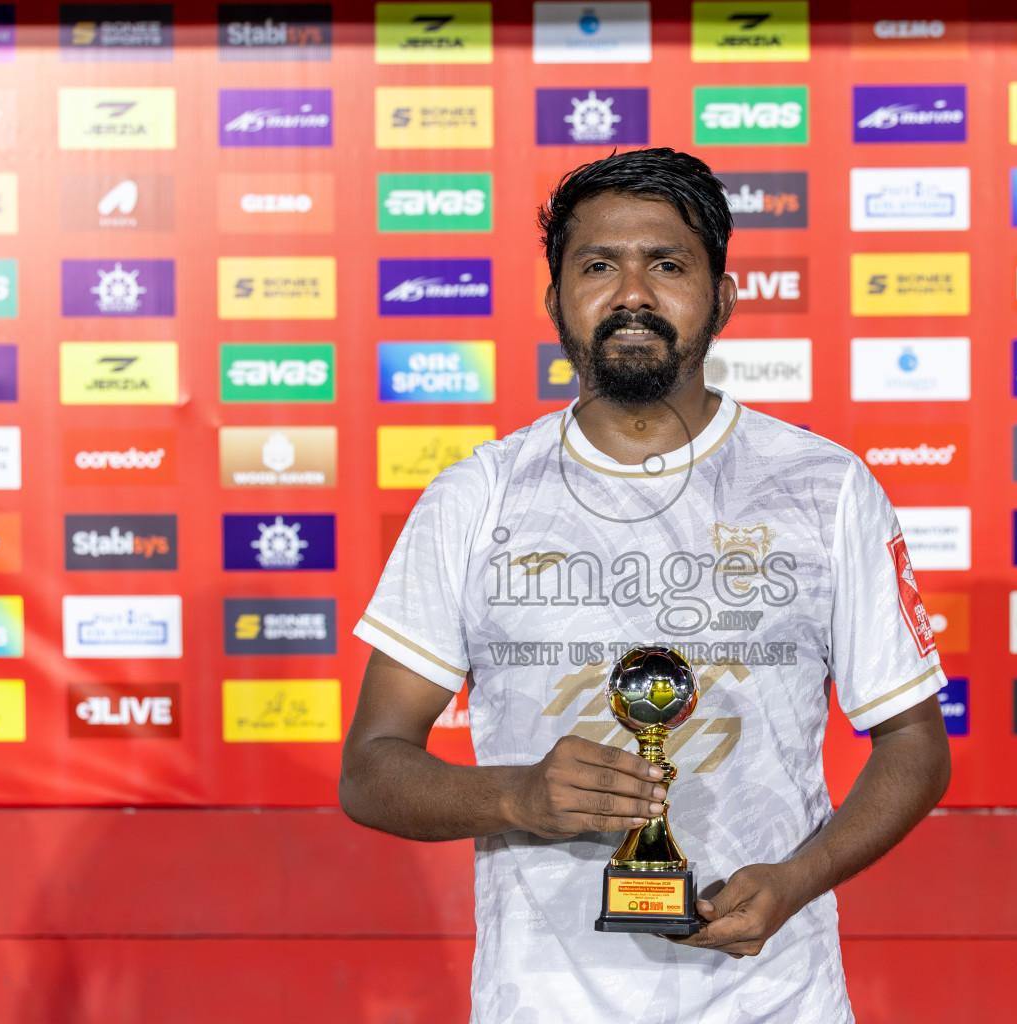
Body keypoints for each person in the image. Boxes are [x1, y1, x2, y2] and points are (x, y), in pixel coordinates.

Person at [340, 147, 952, 1023]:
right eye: (599, 265)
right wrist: (514, 795)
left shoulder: (825, 487)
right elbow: (371, 767)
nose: (633, 292)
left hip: (774, 1001)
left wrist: (796, 880)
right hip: (541, 1003)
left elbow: (915, 745)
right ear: (556, 301)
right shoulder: (476, 495)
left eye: (666, 264)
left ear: (724, 297)